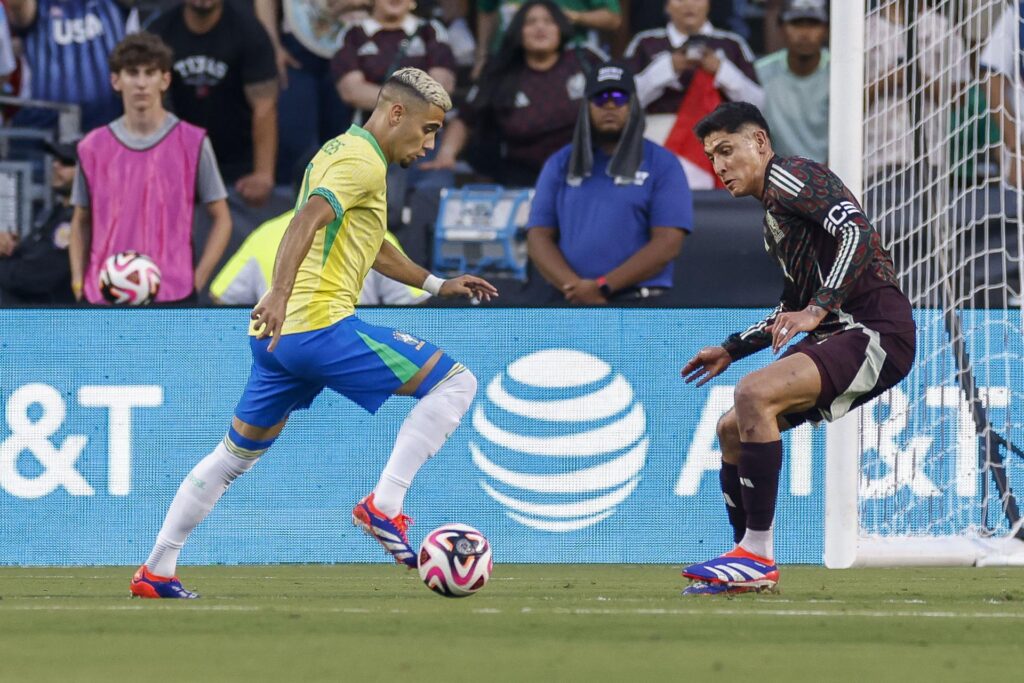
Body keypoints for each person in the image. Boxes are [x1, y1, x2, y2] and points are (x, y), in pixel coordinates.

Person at [129, 68, 498, 599]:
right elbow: (304, 220)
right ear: (396, 114)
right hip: (317, 326)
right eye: (428, 129)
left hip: (278, 341)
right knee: (455, 382)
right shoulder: (361, 161)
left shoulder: (340, 149)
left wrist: (437, 283)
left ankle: (156, 569)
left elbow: (369, 244)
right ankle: (384, 506)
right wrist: (278, 291)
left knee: (232, 457)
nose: (430, 143)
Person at [679, 102, 915, 595]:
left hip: (875, 328)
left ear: (760, 143)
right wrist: (731, 347)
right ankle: (747, 562)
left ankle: (757, 556)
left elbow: (857, 232)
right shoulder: (774, 220)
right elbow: (791, 305)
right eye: (711, 156)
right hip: (840, 330)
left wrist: (819, 307)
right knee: (731, 429)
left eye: (727, 150)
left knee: (752, 395)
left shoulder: (791, 177)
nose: (719, 165)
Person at [69, 32, 232, 305]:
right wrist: (77, 281)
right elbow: (80, 220)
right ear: (116, 81)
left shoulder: (192, 142)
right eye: (133, 73)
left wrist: (197, 280)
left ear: (165, 79)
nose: (142, 83)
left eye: (150, 73)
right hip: (103, 296)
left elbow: (222, 218)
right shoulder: (91, 147)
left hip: (173, 294)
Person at [526, 61, 692, 304]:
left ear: (633, 105)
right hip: (570, 300)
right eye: (601, 98)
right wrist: (575, 287)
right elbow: (538, 235)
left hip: (640, 303)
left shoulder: (663, 163)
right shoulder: (560, 162)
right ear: (586, 106)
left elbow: (668, 242)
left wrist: (603, 287)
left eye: (619, 97)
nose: (610, 105)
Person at [332, 0, 459, 227]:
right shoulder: (353, 34)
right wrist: (415, 98)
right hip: (370, 146)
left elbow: (440, 88)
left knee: (428, 204)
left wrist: (387, 100)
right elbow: (352, 91)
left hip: (423, 147)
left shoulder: (431, 30)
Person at [148, 0, 279, 206]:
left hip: (237, 168)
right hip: (180, 163)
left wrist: (263, 174)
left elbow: (264, 106)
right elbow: (149, 106)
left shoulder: (249, 31)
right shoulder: (158, 34)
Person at [459, 0, 604, 186]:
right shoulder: (500, 72)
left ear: (560, 28)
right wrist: (446, 155)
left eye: (548, 21)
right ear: (519, 30)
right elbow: (466, 117)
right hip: (519, 179)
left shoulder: (586, 62)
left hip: (585, 175)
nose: (540, 27)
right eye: (531, 22)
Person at [625, 0, 763, 189]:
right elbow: (625, 102)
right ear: (666, 5)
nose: (689, 4)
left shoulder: (732, 44)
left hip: (720, 150)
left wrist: (721, 70)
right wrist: (667, 68)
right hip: (658, 146)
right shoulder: (645, 43)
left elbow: (758, 104)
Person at [209, 210, 429, 306]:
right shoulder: (371, 232)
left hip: (280, 353)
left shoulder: (265, 233)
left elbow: (221, 298)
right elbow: (413, 304)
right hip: (353, 354)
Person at [253, 0, 364, 183]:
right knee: (294, 144)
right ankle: (290, 207)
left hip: (355, 43)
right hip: (297, 46)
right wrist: (271, 45)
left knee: (341, 149)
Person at [6, 0, 137, 131]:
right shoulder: (37, 6)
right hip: (45, 130)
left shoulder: (111, 4)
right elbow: (17, 5)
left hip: (109, 126)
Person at [0, 139, 75, 305]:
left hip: (54, 320)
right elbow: (30, 254)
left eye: (67, 162)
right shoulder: (55, 212)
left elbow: (37, 276)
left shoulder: (78, 222)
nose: (56, 165)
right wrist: (9, 248)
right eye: (55, 159)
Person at [753, 0, 829, 163]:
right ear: (781, 29)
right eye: (796, 24)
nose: (804, 34)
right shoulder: (760, 72)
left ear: (827, 30)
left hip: (834, 174)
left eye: (813, 24)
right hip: (777, 174)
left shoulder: (840, 74)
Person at [472, 0, 620, 79]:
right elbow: (487, 10)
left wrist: (575, 17)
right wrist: (482, 56)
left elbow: (613, 18)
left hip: (571, 62)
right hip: (508, 60)